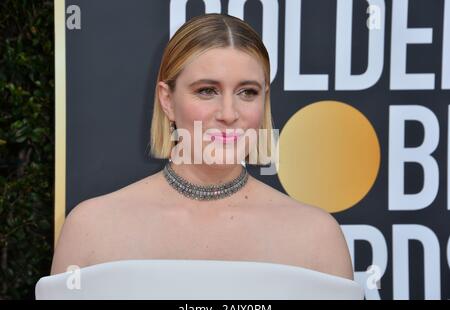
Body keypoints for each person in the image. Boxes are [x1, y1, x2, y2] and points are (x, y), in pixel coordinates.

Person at [50, 13, 354, 281]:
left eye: (247, 92)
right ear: (167, 100)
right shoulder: (92, 228)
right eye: (207, 91)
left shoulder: (317, 237)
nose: (228, 113)